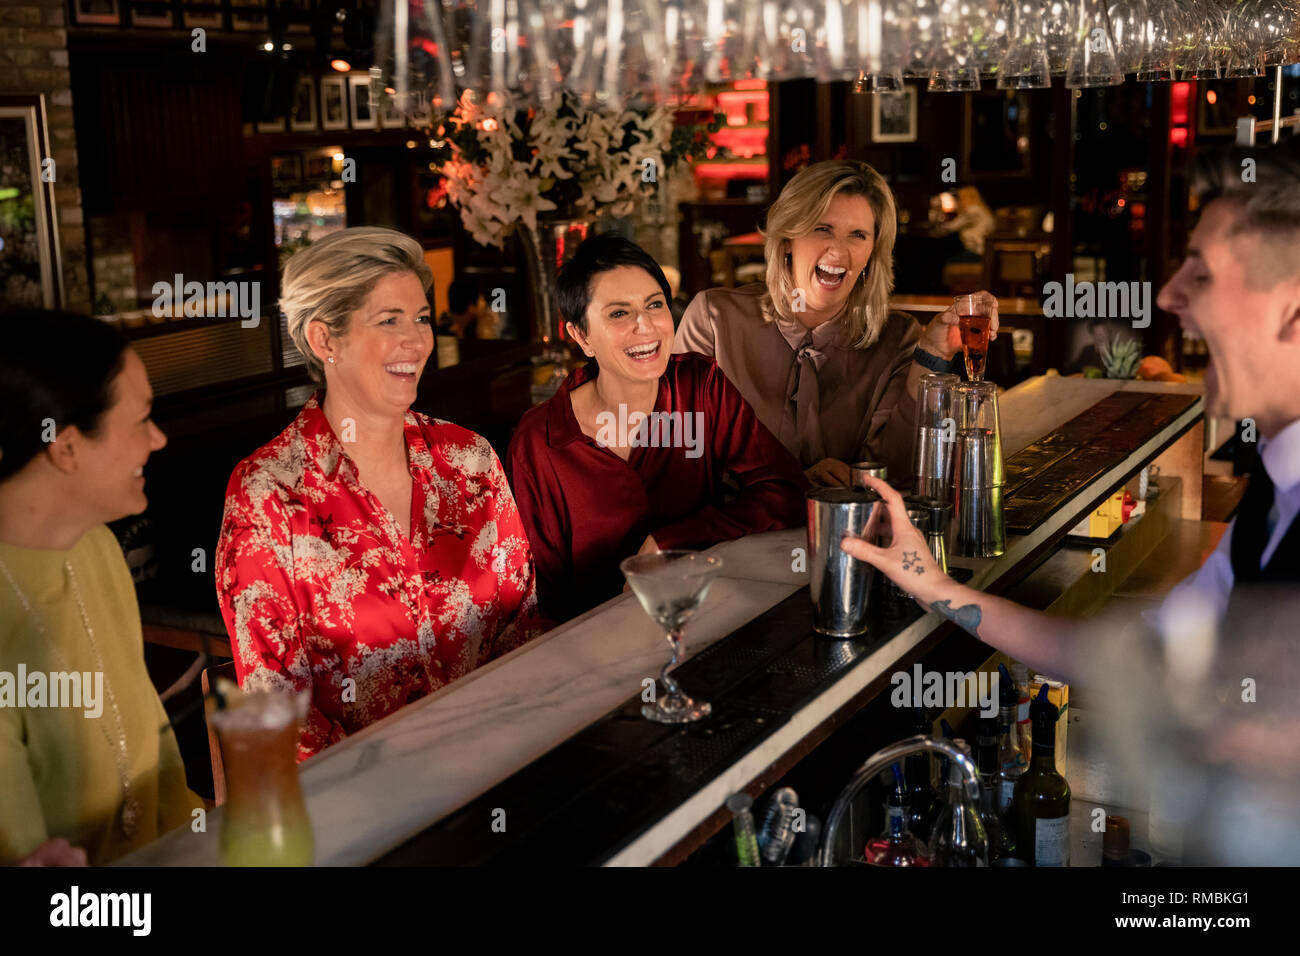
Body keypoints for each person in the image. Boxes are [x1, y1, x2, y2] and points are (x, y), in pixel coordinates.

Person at [842, 138, 1300, 687]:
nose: (1170, 296)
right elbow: (1142, 659)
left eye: (1201, 274)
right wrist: (937, 588)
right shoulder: (1275, 497)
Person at [216, 227, 542, 762]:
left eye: (420, 318)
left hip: (500, 766)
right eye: (389, 320)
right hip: (363, 807)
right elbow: (275, 713)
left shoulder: (469, 459)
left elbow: (520, 627)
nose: (416, 340)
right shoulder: (268, 492)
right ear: (325, 341)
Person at [507, 234, 810, 623]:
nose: (646, 326)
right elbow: (541, 603)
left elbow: (786, 491)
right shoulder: (539, 442)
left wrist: (669, 542)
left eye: (655, 305)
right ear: (581, 336)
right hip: (592, 652)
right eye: (619, 314)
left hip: (706, 620)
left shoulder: (699, 386)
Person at [0, 310, 202, 866]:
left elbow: (155, 747)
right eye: (141, 420)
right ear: (66, 448)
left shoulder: (95, 549)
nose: (158, 438)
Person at [674, 160, 1001, 487]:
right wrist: (792, 486)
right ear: (788, 238)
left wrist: (932, 354)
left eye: (857, 235)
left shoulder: (898, 338)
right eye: (822, 229)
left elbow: (904, 472)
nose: (838, 251)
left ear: (872, 253)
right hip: (731, 534)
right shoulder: (714, 319)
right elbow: (679, 462)